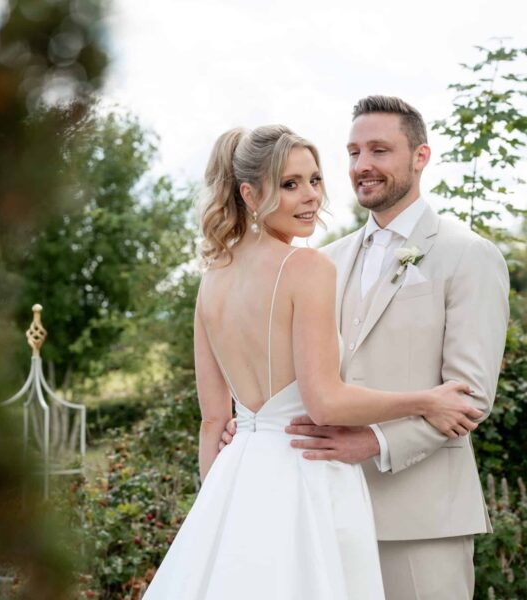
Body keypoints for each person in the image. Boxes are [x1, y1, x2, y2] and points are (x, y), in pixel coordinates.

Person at [143, 124, 483, 600]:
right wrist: (426, 400)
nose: (310, 197)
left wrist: (217, 510)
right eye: (290, 184)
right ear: (249, 192)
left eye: (315, 179)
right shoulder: (307, 267)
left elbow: (213, 421)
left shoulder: (212, 281)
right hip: (306, 474)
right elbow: (324, 402)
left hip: (236, 479)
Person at [224, 97, 511, 599]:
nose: (362, 166)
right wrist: (247, 426)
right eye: (353, 152)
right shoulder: (321, 261)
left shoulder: (470, 255)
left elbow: (469, 398)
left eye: (379, 150)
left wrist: (374, 442)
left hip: (422, 521)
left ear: (420, 156)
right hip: (324, 509)